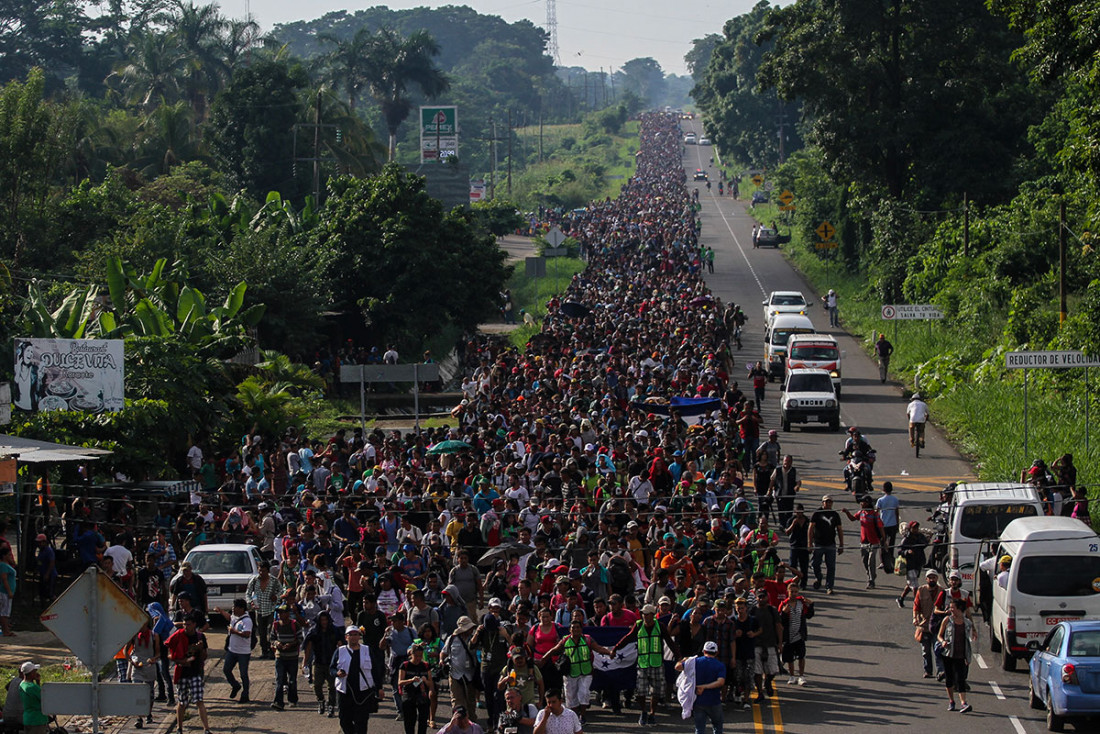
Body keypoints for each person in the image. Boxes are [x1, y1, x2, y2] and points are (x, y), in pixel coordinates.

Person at [610, 604, 680, 725]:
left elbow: (669, 642)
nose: (645, 616)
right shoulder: (638, 625)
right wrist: (616, 648)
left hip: (657, 663)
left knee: (656, 691)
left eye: (647, 614)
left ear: (653, 615)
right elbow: (628, 638)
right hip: (642, 664)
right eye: (643, 614)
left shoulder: (660, 627)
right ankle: (643, 712)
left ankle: (652, 713)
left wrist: (678, 656)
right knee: (641, 691)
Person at [542, 618, 614, 724]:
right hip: (570, 673)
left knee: (584, 693)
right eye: (573, 627)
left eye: (578, 627)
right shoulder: (565, 640)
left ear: (581, 629)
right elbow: (554, 650)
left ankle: (582, 715)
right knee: (571, 697)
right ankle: (574, 717)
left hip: (586, 672)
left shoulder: (588, 639)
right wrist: (543, 659)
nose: (575, 629)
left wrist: (610, 653)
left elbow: (598, 648)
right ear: (569, 630)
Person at [165, 611, 212, 734]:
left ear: (194, 624)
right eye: (184, 624)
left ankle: (206, 729)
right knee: (182, 702)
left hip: (195, 672)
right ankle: (179, 728)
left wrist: (200, 649)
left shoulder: (200, 637)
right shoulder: (177, 636)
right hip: (182, 673)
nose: (186, 627)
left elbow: (204, 656)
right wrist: (181, 661)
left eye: (189, 624)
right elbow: (169, 654)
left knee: (199, 700)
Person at [332, 625, 379, 734]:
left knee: (361, 722)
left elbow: (375, 670)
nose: (353, 637)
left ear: (359, 636)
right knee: (344, 720)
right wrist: (337, 673)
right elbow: (332, 668)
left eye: (356, 634)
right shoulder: (340, 651)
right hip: (344, 691)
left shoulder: (367, 650)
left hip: (363, 691)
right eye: (351, 635)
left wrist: (379, 688)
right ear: (346, 637)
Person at [675, 640, 725, 734]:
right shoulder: (720, 665)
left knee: (699, 729)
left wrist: (684, 659)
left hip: (698, 702)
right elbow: (721, 682)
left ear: (703, 651)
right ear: (716, 652)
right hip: (714, 701)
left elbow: (677, 667)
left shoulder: (694, 662)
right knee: (718, 728)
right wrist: (705, 687)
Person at [936, 599, 974, 713]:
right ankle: (951, 701)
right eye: (950, 607)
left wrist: (968, 657)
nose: (951, 610)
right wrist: (942, 641)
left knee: (961, 679)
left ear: (960, 609)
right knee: (950, 679)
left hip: (960, 655)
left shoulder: (967, 623)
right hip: (948, 654)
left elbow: (967, 641)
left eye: (953, 608)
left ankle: (963, 703)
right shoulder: (947, 620)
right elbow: (939, 635)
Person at [442, 616, 480, 725]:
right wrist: (441, 660)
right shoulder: (452, 639)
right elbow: (444, 652)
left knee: (470, 703)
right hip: (455, 674)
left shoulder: (474, 639)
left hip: (470, 675)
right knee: (457, 702)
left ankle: (472, 726)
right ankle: (458, 725)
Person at [304, 610, 342, 716]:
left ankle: (331, 705)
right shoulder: (314, 631)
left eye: (325, 620)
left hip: (331, 663)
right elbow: (308, 647)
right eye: (322, 620)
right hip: (319, 662)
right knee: (317, 685)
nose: (324, 622)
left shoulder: (334, 631)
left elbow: (341, 645)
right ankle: (321, 701)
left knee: (332, 686)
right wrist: (305, 662)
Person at [842, 497, 884, 589]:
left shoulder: (874, 514)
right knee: (865, 561)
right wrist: (847, 512)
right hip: (864, 542)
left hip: (874, 542)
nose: (861, 504)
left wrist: (883, 539)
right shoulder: (861, 513)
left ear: (868, 503)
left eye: (863, 502)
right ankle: (871, 574)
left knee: (871, 561)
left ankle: (871, 580)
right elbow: (853, 518)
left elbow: (880, 527)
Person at [777, 580, 813, 685]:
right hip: (789, 636)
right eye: (791, 591)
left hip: (799, 635)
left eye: (796, 591)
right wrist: (784, 613)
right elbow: (779, 621)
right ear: (788, 592)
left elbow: (809, 615)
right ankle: (792, 676)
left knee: (801, 656)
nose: (794, 594)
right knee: (789, 658)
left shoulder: (801, 603)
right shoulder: (784, 604)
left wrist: (811, 605)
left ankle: (801, 676)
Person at [246, 561, 284, 659]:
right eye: (260, 571)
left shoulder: (274, 580)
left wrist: (276, 597)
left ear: (268, 570)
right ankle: (264, 651)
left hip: (271, 609)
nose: (261, 573)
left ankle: (272, 651)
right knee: (261, 633)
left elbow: (281, 591)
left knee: (271, 631)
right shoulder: (254, 580)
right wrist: (251, 602)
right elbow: (248, 593)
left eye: (263, 571)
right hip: (259, 610)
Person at [913, 569, 944, 679]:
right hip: (925, 625)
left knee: (938, 649)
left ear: (937, 578)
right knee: (926, 651)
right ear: (926, 579)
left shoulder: (942, 591)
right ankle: (928, 671)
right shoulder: (921, 590)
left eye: (934, 577)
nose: (932, 579)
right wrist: (915, 618)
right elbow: (916, 607)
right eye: (930, 577)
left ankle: (940, 671)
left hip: (937, 626)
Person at [397, 640, 434, 734]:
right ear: (411, 655)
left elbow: (431, 684)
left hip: (422, 694)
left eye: (420, 656)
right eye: (416, 656)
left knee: (422, 721)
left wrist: (425, 681)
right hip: (409, 694)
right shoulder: (405, 665)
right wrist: (411, 680)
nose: (418, 658)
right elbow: (400, 682)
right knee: (410, 721)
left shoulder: (425, 666)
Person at [809, 496, 843, 595]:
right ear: (822, 502)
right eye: (826, 502)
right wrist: (809, 543)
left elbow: (839, 529)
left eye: (830, 502)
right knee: (815, 564)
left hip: (830, 544)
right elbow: (810, 529)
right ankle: (819, 577)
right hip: (818, 543)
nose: (828, 504)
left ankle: (829, 587)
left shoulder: (835, 514)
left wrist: (841, 544)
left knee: (831, 567)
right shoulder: (817, 513)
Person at [270, 604, 302, 710]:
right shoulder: (275, 625)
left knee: (292, 680)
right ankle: (278, 702)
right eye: (279, 613)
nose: (280, 615)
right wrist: (276, 643)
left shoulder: (294, 624)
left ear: (288, 613)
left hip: (292, 657)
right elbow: (272, 639)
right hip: (280, 656)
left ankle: (292, 699)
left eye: (282, 613)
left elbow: (300, 639)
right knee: (279, 679)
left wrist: (291, 644)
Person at [895, 522, 927, 608]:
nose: (915, 530)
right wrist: (907, 552)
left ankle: (901, 598)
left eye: (917, 528)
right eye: (914, 528)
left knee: (911, 584)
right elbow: (899, 551)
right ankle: (917, 603)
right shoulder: (906, 539)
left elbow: (924, 545)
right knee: (915, 585)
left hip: (918, 563)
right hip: (909, 565)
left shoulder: (920, 536)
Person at [875, 482, 901, 573]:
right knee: (891, 543)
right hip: (893, 524)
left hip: (883, 525)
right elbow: (897, 512)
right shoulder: (895, 499)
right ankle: (890, 560)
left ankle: (883, 562)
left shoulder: (880, 500)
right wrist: (898, 523)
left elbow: (876, 512)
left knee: (882, 544)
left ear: (883, 489)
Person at [19, 662, 47, 734]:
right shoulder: (32, 687)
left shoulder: (22, 684)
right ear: (31, 673)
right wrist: (38, 683)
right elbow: (44, 698)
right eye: (35, 671)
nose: (36, 673)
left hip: (27, 718)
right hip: (37, 720)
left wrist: (37, 682)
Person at [0, 547, 15, 637]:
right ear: (4, 556)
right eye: (9, 555)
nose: (11, 556)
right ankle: (5, 630)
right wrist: (9, 591)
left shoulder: (7, 565)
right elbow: (4, 579)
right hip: (4, 592)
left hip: (8, 591)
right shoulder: (3, 566)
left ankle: (6, 629)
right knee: (4, 612)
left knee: (6, 611)